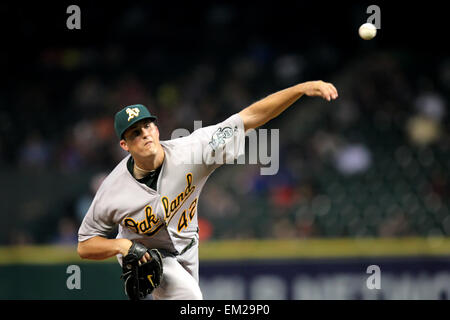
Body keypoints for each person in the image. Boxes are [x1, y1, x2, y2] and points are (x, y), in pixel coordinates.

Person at [77, 80, 338, 300]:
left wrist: (302, 88)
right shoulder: (113, 189)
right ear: (125, 145)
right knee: (192, 301)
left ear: (156, 129)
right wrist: (122, 246)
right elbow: (85, 245)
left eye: (147, 126)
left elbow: (249, 117)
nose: (144, 134)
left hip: (188, 245)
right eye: (135, 133)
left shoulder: (194, 151)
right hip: (143, 252)